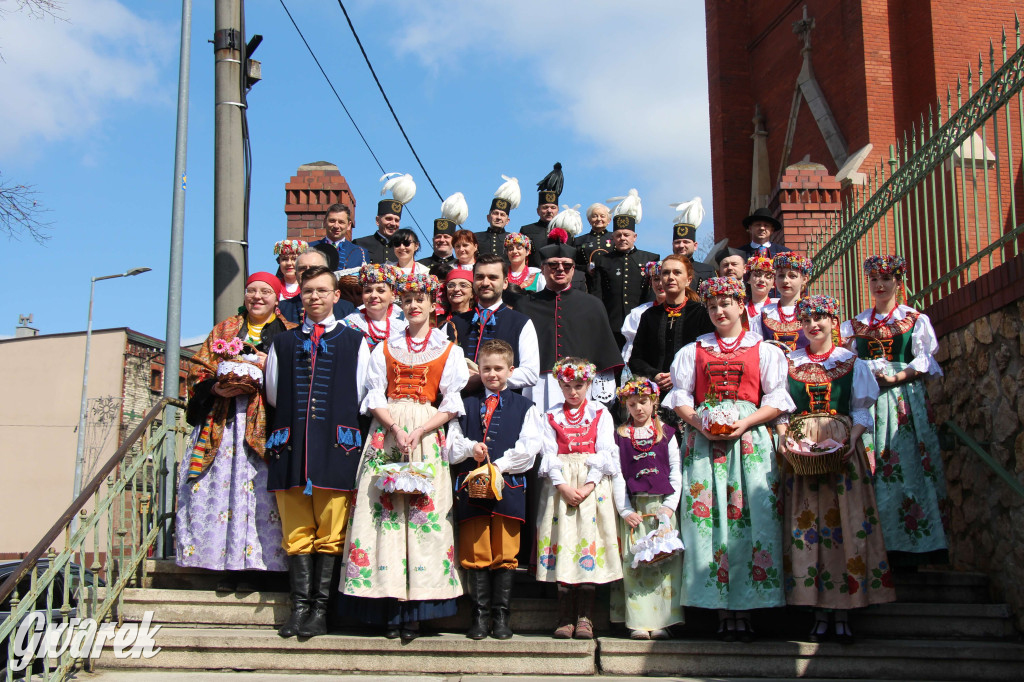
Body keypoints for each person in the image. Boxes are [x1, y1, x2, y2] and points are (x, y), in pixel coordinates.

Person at [342, 273, 468, 641]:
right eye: (409, 299)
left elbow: (451, 402)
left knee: (423, 515)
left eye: (421, 299)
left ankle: (416, 609)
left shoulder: (449, 349)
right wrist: (396, 428)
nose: (414, 305)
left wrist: (420, 430)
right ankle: (386, 603)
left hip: (425, 434)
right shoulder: (384, 348)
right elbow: (373, 396)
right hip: (386, 431)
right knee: (381, 515)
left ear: (433, 305)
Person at [667, 277, 794, 642]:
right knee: (709, 520)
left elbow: (776, 399)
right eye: (712, 306)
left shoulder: (764, 350)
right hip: (706, 445)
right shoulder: (694, 351)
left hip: (749, 445)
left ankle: (748, 608)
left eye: (726, 304)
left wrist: (746, 422)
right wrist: (699, 423)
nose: (719, 311)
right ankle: (720, 608)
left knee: (750, 518)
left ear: (742, 305)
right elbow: (680, 397)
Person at [777, 295, 895, 644]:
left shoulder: (852, 362)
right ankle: (815, 609)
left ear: (833, 321)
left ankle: (844, 610)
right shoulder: (790, 364)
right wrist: (785, 440)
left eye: (821, 319)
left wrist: (851, 441)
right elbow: (783, 410)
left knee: (846, 525)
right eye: (808, 320)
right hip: (802, 457)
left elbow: (861, 409)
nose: (814, 325)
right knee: (807, 525)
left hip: (842, 454)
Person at [264, 265, 371, 638]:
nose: (314, 297)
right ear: (300, 296)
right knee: (296, 533)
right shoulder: (282, 343)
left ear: (336, 296)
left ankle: (321, 611)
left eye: (322, 291)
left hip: (337, 446)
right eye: (308, 291)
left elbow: (361, 397)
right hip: (290, 447)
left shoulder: (356, 342)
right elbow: (274, 394)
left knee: (331, 531)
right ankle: (299, 608)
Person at [176, 272, 293, 589]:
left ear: (277, 297)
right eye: (252, 290)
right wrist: (215, 388)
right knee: (225, 495)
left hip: (265, 425)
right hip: (224, 421)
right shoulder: (223, 330)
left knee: (260, 498)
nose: (257, 297)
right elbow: (198, 371)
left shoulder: (286, 333)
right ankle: (226, 566)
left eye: (265, 291)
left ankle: (264, 567)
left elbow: (295, 378)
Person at [840, 255, 948, 566]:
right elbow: (848, 364)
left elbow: (923, 360)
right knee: (871, 467)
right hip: (869, 404)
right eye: (874, 279)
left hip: (903, 400)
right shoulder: (856, 324)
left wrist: (896, 377)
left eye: (886, 279)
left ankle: (914, 545)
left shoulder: (914, 319)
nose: (880, 285)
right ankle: (875, 546)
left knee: (907, 464)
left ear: (898, 282)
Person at [446, 339, 544, 640]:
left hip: (509, 488)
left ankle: (501, 617)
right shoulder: (466, 404)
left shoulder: (525, 406)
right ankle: (479, 616)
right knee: (476, 551)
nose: (492, 374)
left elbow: (530, 447)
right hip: (472, 489)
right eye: (486, 368)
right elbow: (450, 445)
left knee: (506, 552)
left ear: (510, 370)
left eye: (498, 369)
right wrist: (469, 449)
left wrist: (498, 466)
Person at [536, 357, 623, 639]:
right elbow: (548, 453)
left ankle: (586, 616)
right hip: (561, 484)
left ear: (588, 384)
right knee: (564, 542)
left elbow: (606, 451)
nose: (573, 392)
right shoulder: (550, 415)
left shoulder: (600, 413)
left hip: (590, 486)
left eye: (579, 385)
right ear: (559, 385)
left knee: (588, 541)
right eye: (567, 386)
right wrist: (562, 486)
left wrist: (587, 486)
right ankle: (564, 617)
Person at [610, 378, 683, 640]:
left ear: (654, 402)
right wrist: (624, 509)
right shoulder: (620, 436)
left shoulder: (668, 433)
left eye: (643, 402)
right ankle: (638, 620)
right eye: (632, 404)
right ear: (626, 406)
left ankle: (662, 620)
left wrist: (669, 507)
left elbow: (676, 470)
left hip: (661, 508)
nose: (638, 408)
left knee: (663, 563)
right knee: (635, 563)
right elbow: (617, 474)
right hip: (636, 509)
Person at [446, 254, 540, 394]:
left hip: (505, 408)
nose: (485, 283)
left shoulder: (521, 322)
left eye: (493, 277)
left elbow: (530, 374)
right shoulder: (453, 323)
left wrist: (483, 378)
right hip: (461, 408)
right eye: (479, 277)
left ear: (505, 283)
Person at [628, 255, 715, 402]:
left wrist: (678, 376)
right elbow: (636, 359)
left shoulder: (701, 313)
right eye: (666, 273)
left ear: (688, 279)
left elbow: (709, 355)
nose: (670, 277)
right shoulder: (649, 315)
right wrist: (655, 374)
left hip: (692, 393)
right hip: (656, 393)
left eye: (677, 272)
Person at [591, 214, 660, 348]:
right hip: (612, 324)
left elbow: (653, 291)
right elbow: (597, 293)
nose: (622, 238)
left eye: (626, 235)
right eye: (618, 235)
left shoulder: (650, 258)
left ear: (634, 237)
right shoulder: (603, 261)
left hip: (642, 322)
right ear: (613, 238)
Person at [750, 252, 813, 352]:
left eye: (792, 276)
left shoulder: (812, 312)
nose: (785, 281)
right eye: (781, 276)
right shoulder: (764, 314)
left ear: (804, 279)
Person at [278, 249, 356, 325]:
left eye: (313, 268)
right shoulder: (283, 308)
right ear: (296, 273)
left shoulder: (345, 308)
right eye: (302, 268)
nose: (307, 272)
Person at [342, 264, 407, 351]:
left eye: (381, 291)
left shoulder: (402, 327)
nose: (373, 295)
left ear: (393, 295)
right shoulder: (349, 325)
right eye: (368, 291)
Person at [620, 261, 665, 368]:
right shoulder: (638, 312)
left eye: (664, 278)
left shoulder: (689, 310)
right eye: (656, 279)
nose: (660, 284)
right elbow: (631, 348)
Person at [520, 168, 562, 268]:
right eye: (545, 207)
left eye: (553, 207)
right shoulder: (526, 230)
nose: (549, 211)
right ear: (538, 211)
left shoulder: (564, 231)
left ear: (558, 210)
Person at [309, 203, 369, 269]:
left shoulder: (360, 253)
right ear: (325, 222)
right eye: (332, 221)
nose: (336, 226)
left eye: (341, 222)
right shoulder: (309, 248)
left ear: (349, 225)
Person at [574, 203, 615, 293]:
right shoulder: (579, 241)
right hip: (588, 284)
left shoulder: (616, 239)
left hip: (612, 283)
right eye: (595, 216)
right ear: (589, 220)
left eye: (602, 216)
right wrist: (586, 268)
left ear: (609, 220)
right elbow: (572, 264)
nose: (599, 219)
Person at [353, 199, 403, 264]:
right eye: (388, 219)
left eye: (397, 220)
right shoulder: (359, 244)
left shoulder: (403, 248)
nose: (393, 223)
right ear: (377, 220)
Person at [670, 219, 715, 288]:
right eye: (677, 242)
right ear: (672, 245)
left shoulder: (707, 270)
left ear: (695, 246)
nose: (681, 245)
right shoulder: (662, 269)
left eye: (686, 242)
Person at [744, 255, 777, 324]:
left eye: (768, 277)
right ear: (749, 279)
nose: (762, 280)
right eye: (757, 275)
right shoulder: (741, 308)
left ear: (774, 283)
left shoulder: (777, 306)